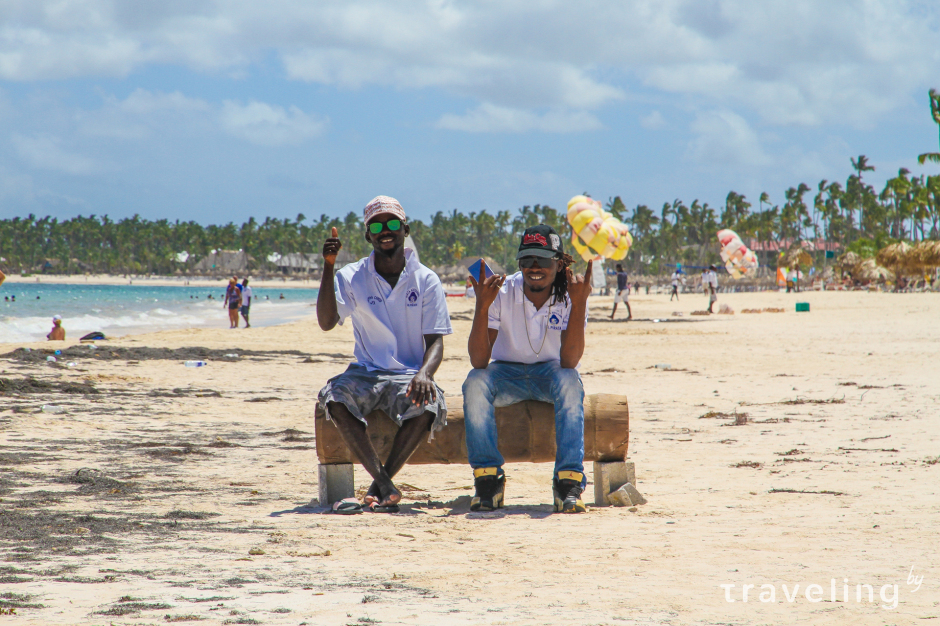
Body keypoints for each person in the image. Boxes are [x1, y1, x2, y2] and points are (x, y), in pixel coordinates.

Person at [316, 196, 453, 513]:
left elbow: (436, 342)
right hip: (364, 372)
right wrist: (328, 267)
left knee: (430, 403)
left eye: (392, 223)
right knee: (334, 397)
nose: (385, 231)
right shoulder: (352, 276)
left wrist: (424, 374)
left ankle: (380, 485)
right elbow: (325, 322)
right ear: (368, 235)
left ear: (405, 229)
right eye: (376, 226)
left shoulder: (426, 280)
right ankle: (386, 485)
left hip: (408, 375)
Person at [463, 224, 592, 514]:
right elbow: (479, 361)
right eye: (527, 260)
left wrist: (580, 302)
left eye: (543, 261)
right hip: (505, 373)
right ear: (519, 262)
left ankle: (568, 482)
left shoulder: (572, 293)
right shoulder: (502, 291)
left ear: (559, 264)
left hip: (550, 373)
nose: (535, 267)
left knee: (571, 380)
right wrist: (482, 306)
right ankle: (488, 479)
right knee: (475, 382)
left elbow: (569, 361)